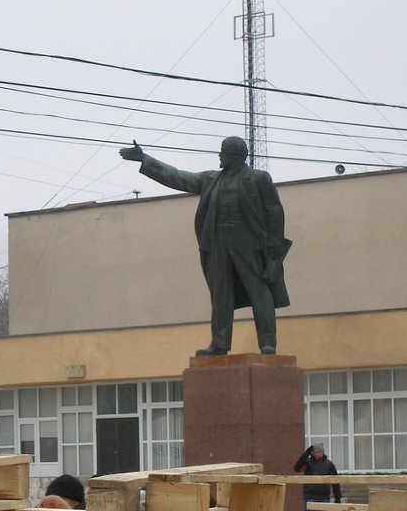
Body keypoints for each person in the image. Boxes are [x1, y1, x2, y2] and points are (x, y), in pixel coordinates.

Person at [119, 136, 290, 356]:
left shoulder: (258, 178)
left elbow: (274, 212)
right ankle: (220, 343)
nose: (219, 156)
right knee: (220, 295)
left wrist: (275, 249)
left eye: (223, 152)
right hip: (217, 243)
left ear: (235, 156)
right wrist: (145, 159)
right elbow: (179, 177)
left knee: (259, 291)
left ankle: (267, 342)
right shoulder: (211, 179)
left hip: (248, 244)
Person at [293, 443, 341, 511]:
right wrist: (306, 454)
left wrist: (338, 497)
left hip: (324, 497)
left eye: (319, 452)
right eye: (314, 452)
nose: (316, 454)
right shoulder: (307, 463)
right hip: (310, 496)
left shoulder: (329, 464)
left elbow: (335, 481)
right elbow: (297, 469)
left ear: (322, 453)